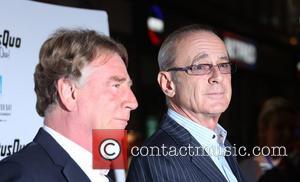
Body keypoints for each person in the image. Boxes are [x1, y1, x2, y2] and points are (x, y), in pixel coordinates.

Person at [0, 28, 138, 181]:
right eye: (116, 86)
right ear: (69, 92)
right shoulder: (25, 176)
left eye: (129, 87)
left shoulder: (103, 174)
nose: (133, 102)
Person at [127, 24, 245, 182]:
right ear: (168, 84)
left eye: (223, 65)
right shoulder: (156, 159)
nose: (218, 76)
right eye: (201, 67)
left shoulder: (222, 145)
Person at [240, 97, 300, 182]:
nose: (287, 134)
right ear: (264, 129)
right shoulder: (245, 171)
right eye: (280, 127)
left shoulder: (294, 172)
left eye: (292, 128)